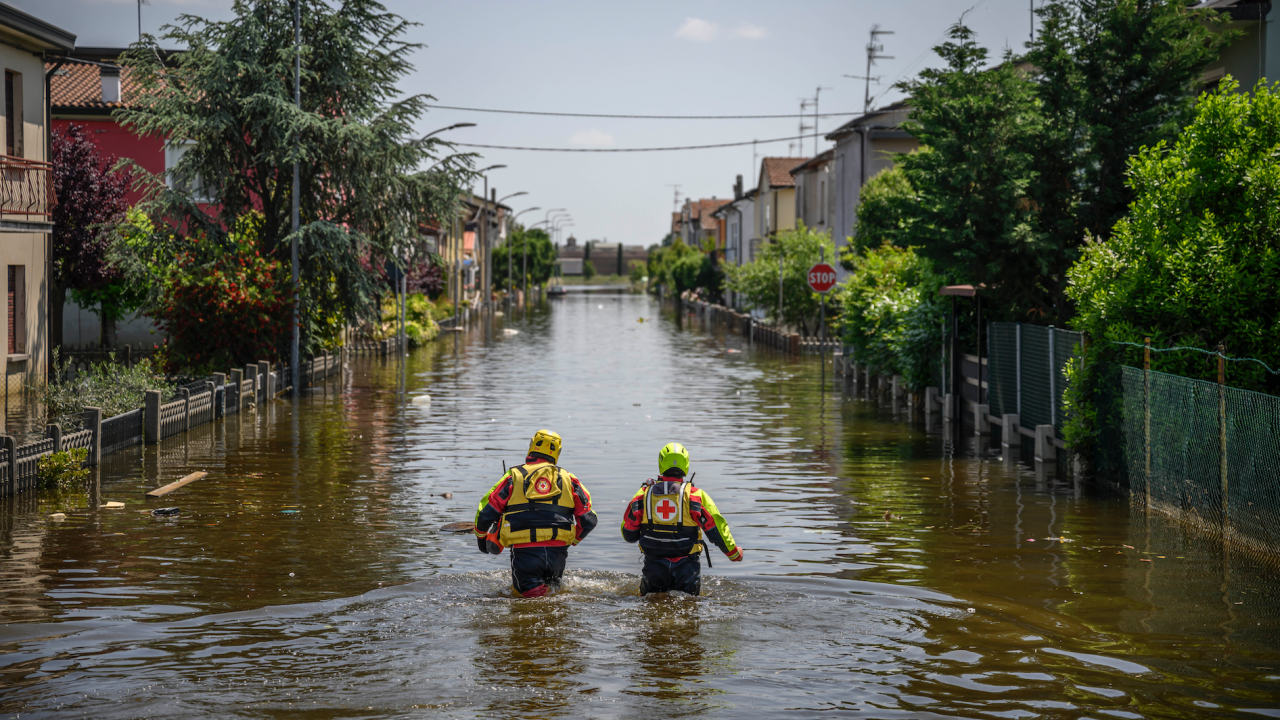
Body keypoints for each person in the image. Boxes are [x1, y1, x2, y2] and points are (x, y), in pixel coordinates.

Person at [475, 429, 598, 597]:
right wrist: (572, 541)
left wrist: (481, 539)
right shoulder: (570, 479)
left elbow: (485, 513)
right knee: (554, 598)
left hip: (526, 555)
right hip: (558, 554)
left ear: (532, 446)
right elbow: (589, 520)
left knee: (529, 604)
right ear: (557, 452)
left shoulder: (513, 476)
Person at [621, 442, 743, 596]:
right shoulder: (695, 496)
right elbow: (716, 529)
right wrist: (734, 553)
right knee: (689, 608)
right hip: (687, 567)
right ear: (686, 464)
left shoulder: (644, 494)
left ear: (661, 464)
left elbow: (628, 535)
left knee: (650, 608)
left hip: (654, 566)